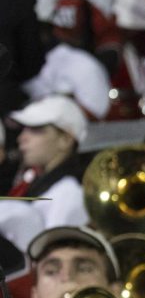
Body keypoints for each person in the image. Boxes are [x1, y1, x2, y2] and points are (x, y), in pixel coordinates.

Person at [6, 95, 88, 228]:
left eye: (36, 129)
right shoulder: (32, 180)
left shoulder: (67, 195)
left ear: (65, 140)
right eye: (23, 129)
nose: (22, 138)